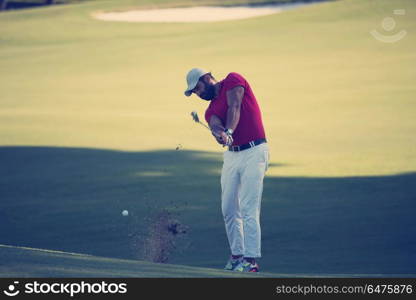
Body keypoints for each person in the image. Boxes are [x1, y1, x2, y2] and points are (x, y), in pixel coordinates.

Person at [184, 68, 269, 272]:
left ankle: (251, 261)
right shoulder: (209, 110)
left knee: (248, 207)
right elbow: (215, 124)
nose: (198, 93)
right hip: (232, 156)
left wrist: (229, 131)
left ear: (207, 78)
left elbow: (235, 106)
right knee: (229, 208)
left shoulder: (233, 80)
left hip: (254, 151)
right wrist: (220, 133)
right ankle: (237, 257)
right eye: (194, 92)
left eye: (198, 88)